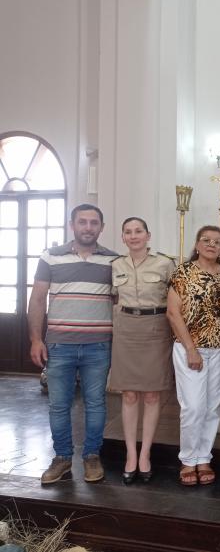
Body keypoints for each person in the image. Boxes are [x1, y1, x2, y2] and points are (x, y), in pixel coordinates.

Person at [28, 203, 118, 484]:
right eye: (83, 222)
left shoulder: (114, 261)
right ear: (72, 225)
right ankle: (62, 458)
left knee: (95, 403)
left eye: (94, 223)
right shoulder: (51, 257)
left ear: (102, 228)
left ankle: (91, 456)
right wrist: (35, 339)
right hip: (59, 344)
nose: (88, 227)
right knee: (58, 405)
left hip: (98, 345)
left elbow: (121, 301)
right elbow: (38, 298)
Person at [166, 225, 220, 486]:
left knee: (212, 406)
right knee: (193, 406)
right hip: (189, 348)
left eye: (217, 241)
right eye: (206, 240)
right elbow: (173, 314)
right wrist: (191, 349)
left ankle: (204, 457)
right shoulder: (183, 272)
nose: (211, 244)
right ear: (197, 244)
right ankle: (188, 459)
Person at [110, 217, 175, 484]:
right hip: (126, 329)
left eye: (139, 231)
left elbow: (176, 300)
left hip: (156, 328)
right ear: (123, 237)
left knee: (151, 395)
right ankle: (130, 455)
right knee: (128, 395)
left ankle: (145, 454)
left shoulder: (165, 263)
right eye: (128, 232)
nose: (134, 236)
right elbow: (112, 297)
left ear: (148, 235)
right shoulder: (115, 265)